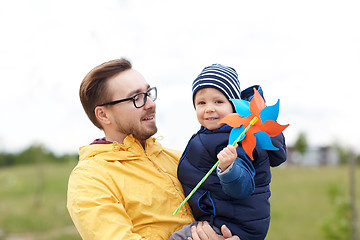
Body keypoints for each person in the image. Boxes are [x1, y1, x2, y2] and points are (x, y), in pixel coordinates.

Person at [67, 58, 240, 240]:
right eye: (137, 98)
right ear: (103, 114)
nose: (150, 104)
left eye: (148, 93)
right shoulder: (90, 179)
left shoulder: (180, 159)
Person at [173, 64, 287, 240]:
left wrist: (229, 168)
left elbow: (243, 187)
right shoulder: (215, 134)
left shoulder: (236, 139)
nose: (209, 108)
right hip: (227, 218)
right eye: (201, 103)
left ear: (234, 107)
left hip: (234, 225)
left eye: (218, 101)